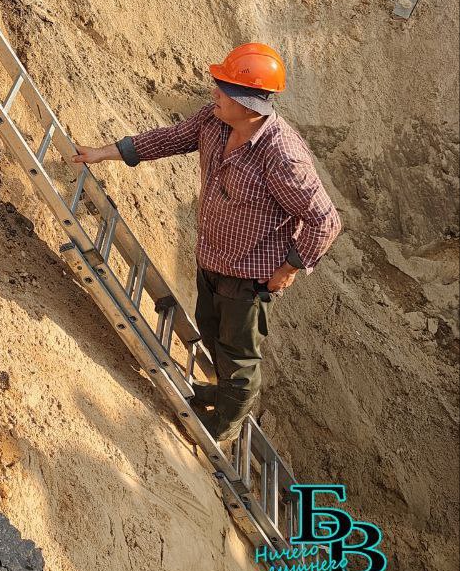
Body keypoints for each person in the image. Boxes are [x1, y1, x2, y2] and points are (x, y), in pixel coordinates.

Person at [72, 43, 341, 443]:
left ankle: (226, 425)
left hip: (248, 278)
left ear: (250, 104)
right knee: (213, 336)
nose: (213, 93)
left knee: (239, 358)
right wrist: (103, 153)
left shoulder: (282, 157)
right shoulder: (214, 122)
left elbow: (326, 220)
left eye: (223, 88)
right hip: (211, 261)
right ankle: (222, 392)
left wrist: (289, 269)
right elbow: (169, 139)